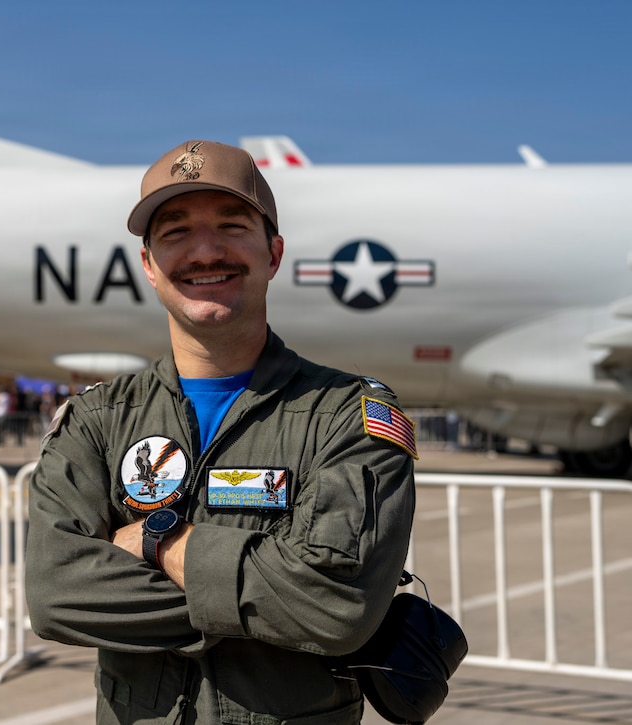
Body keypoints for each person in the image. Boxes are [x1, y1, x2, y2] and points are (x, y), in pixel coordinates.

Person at [25, 140, 417, 724]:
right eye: (175, 232)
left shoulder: (345, 416)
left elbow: (336, 608)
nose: (205, 251)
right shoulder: (99, 419)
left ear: (274, 253)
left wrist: (160, 542)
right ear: (149, 265)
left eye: (232, 225)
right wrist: (267, 597)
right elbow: (57, 593)